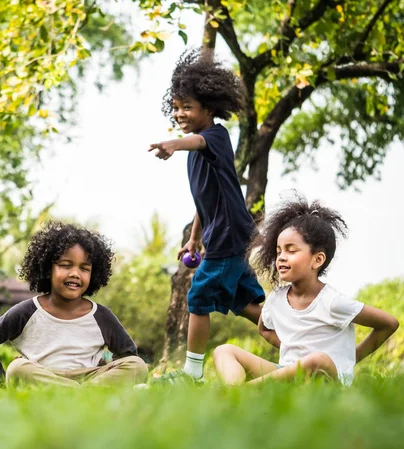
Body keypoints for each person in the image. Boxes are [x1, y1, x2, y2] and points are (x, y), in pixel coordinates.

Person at [148, 48, 265, 381]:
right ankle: (301, 341)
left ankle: (192, 374)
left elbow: (198, 141)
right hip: (222, 236)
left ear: (209, 107)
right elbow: (205, 200)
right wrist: (194, 238)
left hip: (229, 235)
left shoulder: (215, 137)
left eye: (188, 107)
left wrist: (173, 143)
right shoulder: (195, 150)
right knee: (247, 305)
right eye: (176, 108)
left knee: (198, 296)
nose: (181, 113)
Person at [213, 196, 399, 385]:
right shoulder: (276, 299)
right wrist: (292, 348)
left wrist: (351, 358)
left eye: (291, 250)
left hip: (325, 377)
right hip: (286, 373)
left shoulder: (332, 302)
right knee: (224, 351)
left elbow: (389, 323)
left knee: (317, 360)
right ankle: (234, 391)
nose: (281, 257)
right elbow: (264, 330)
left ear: (317, 260)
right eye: (279, 252)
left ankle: (243, 393)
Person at [0, 221, 148, 387]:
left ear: (93, 274)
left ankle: (77, 394)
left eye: (84, 268)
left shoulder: (101, 316)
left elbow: (128, 356)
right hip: (43, 377)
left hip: (89, 378)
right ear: (48, 269)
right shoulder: (26, 311)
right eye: (66, 265)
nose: (75, 274)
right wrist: (4, 384)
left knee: (138, 365)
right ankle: (85, 396)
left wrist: (102, 367)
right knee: (17, 369)